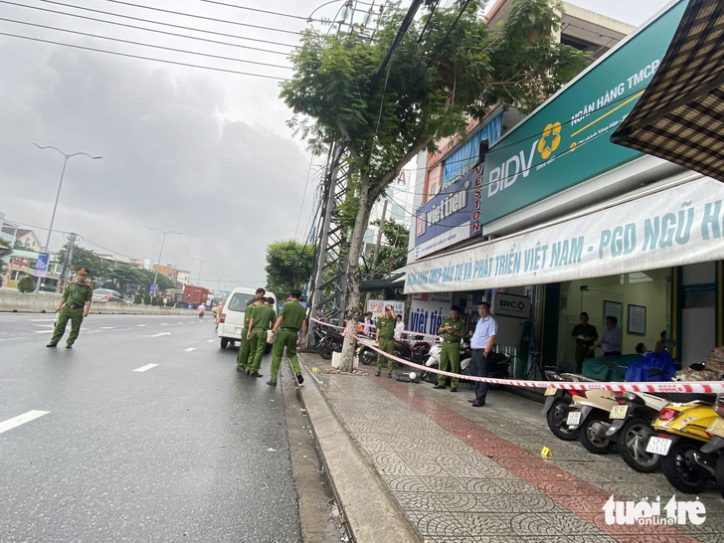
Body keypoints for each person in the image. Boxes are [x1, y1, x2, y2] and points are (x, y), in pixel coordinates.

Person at [267, 289, 308, 387]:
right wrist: (302, 337)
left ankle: (273, 379)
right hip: (293, 334)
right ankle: (298, 372)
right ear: (299, 297)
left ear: (291, 296)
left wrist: (273, 331)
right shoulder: (302, 309)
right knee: (292, 354)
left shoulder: (286, 305)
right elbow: (304, 324)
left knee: (277, 355)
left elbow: (280, 318)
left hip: (283, 332)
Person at [47, 267, 93, 349]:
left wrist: (86, 311)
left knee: (75, 327)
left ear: (86, 277)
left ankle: (70, 342)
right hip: (67, 308)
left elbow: (88, 300)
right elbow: (65, 296)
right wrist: (59, 306)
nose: (81, 277)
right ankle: (54, 341)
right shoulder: (71, 285)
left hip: (78, 309)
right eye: (80, 275)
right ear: (77, 275)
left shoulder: (87, 288)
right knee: (60, 325)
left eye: (84, 275)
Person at [468, 302, 498, 408]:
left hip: (482, 352)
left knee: (482, 376)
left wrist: (486, 351)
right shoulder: (480, 321)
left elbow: (492, 337)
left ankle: (481, 399)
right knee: (475, 374)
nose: (481, 310)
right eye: (479, 308)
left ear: (488, 309)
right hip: (475, 351)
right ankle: (477, 396)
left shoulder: (491, 322)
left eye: (483, 308)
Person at [433, 305, 467, 392]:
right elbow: (439, 330)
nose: (454, 315)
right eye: (452, 313)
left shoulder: (461, 323)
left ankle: (454, 385)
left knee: (454, 365)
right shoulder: (446, 320)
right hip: (445, 343)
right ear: (450, 312)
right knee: (443, 363)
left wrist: (454, 332)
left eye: (455, 314)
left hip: (454, 344)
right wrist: (445, 328)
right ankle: (441, 383)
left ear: (458, 314)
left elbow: (463, 335)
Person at [246, 297, 276, 377]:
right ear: (271, 304)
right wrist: (272, 332)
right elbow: (274, 323)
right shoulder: (271, 311)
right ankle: (254, 370)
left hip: (254, 330)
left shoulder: (256, 308)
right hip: (262, 331)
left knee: (253, 351)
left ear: (265, 301)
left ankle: (248, 368)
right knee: (259, 351)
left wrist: (249, 331)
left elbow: (251, 320)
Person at [375, 305, 396, 378]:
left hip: (390, 340)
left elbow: (395, 317)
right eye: (387, 311)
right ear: (385, 311)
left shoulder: (393, 320)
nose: (388, 312)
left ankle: (389, 372)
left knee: (390, 357)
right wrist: (377, 338)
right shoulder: (381, 319)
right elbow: (378, 329)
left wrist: (391, 309)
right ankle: (378, 370)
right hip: (382, 339)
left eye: (390, 311)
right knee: (380, 356)